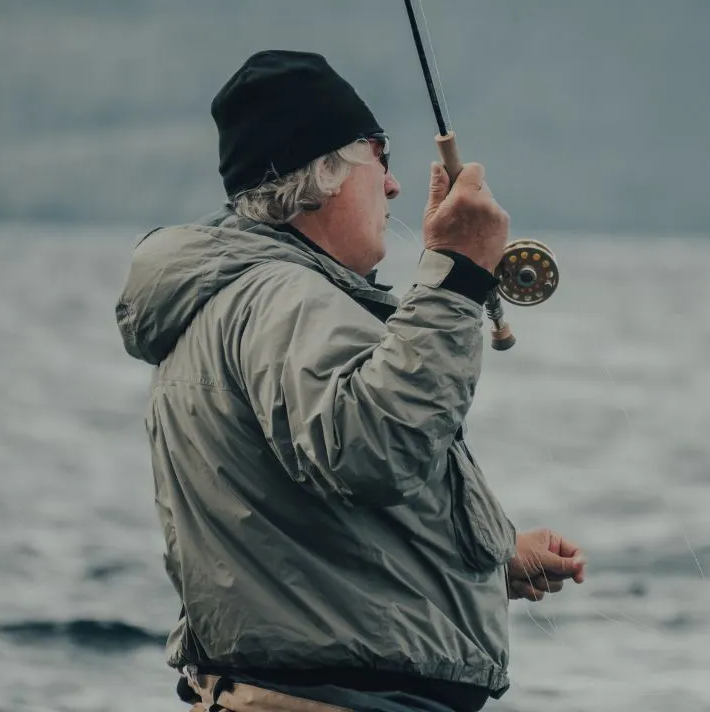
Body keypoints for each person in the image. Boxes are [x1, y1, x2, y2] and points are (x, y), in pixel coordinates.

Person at [114, 49, 587, 712]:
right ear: (326, 174)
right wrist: (454, 282)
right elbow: (367, 452)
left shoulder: (249, 297)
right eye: (380, 156)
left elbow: (308, 518)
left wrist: (488, 553)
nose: (392, 186)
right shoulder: (286, 298)